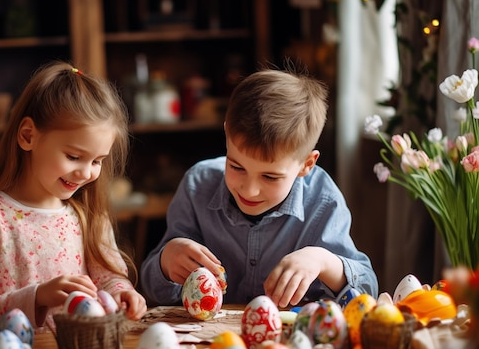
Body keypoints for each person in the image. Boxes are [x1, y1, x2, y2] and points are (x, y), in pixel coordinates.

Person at [140, 66, 378, 308]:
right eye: (236, 167)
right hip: (209, 340)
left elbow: (369, 291)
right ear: (227, 136)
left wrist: (323, 262)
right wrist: (166, 262)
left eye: (270, 177)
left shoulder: (323, 200)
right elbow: (152, 287)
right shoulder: (197, 186)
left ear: (306, 164)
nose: (249, 190)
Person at [0, 61, 147, 335]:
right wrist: (38, 296)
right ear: (28, 136)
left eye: (97, 161)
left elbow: (109, 279)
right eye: (74, 157)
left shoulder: (88, 215)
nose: (86, 173)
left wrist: (123, 293)